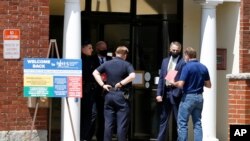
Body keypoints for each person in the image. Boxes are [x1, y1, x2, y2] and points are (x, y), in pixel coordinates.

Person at [92, 46, 135, 141]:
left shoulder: (107, 63)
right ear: (125, 55)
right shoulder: (127, 64)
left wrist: (103, 85)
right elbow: (132, 76)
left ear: (116, 53)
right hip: (121, 96)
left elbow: (95, 73)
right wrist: (121, 83)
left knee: (108, 124)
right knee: (122, 125)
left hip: (108, 95)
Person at [170, 47, 211, 141]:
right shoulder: (203, 67)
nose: (184, 57)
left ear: (187, 55)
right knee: (197, 123)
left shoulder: (187, 67)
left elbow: (180, 84)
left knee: (182, 123)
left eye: (185, 55)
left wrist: (173, 83)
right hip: (199, 97)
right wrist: (199, 82)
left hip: (188, 97)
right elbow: (209, 85)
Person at [156, 41, 186, 141]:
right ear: (170, 49)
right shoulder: (165, 61)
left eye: (177, 50)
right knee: (163, 120)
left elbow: (184, 78)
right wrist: (158, 93)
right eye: (173, 50)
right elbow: (161, 78)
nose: (175, 52)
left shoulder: (183, 62)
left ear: (180, 50)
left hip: (177, 94)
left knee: (179, 121)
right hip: (165, 93)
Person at [91, 41, 112, 141]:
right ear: (97, 49)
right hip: (94, 91)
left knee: (104, 115)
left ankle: (101, 137)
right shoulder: (91, 59)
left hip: (107, 91)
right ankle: (89, 135)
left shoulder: (110, 60)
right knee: (93, 114)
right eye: (102, 49)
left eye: (105, 48)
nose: (104, 50)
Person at [80, 40, 100, 141]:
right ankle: (82, 136)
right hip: (82, 91)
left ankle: (85, 136)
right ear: (82, 48)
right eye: (89, 48)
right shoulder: (79, 59)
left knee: (92, 114)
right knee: (86, 114)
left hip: (91, 91)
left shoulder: (92, 59)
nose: (92, 50)